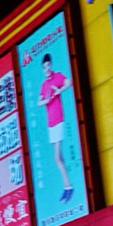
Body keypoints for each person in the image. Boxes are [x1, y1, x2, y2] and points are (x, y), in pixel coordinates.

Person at [37, 53, 74, 204]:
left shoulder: (57, 76)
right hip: (50, 122)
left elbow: (69, 82)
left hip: (58, 119)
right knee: (59, 157)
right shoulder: (44, 84)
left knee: (57, 157)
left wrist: (60, 90)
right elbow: (39, 102)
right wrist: (46, 100)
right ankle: (67, 186)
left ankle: (68, 186)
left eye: (48, 66)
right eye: (44, 67)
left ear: (51, 65)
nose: (46, 69)